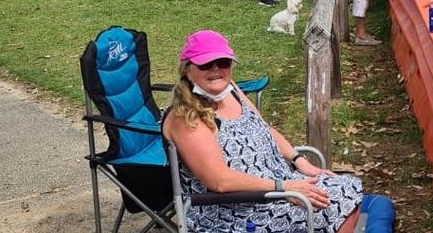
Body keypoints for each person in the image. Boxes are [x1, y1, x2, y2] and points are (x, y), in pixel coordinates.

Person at [163, 30, 395, 232]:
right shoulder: (187, 115)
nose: (216, 70)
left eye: (223, 62)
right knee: (330, 204)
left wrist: (300, 161)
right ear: (187, 70)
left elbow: (266, 129)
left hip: (276, 185)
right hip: (233, 209)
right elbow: (220, 182)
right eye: (205, 64)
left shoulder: (231, 90)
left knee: (345, 186)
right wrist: (285, 188)